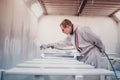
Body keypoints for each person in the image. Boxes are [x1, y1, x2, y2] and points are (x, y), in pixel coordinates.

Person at [40, 19, 105, 68]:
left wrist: (102, 49)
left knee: (92, 75)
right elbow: (62, 43)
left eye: (63, 29)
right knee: (87, 74)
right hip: (86, 55)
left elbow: (96, 39)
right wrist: (48, 45)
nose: (62, 32)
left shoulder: (82, 29)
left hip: (93, 53)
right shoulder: (71, 35)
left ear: (68, 26)